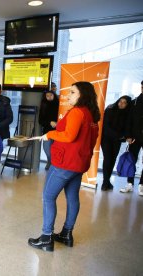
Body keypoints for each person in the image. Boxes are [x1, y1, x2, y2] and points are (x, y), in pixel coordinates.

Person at [28, 81, 100, 252]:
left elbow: (68, 136)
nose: (68, 95)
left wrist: (49, 134)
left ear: (83, 95)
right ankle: (66, 234)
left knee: (48, 197)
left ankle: (46, 237)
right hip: (79, 164)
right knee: (72, 197)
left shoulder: (76, 112)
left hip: (65, 163)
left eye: (73, 92)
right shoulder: (91, 114)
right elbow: (91, 140)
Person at [101, 96, 132, 191]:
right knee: (108, 159)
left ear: (127, 105)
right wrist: (120, 136)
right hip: (106, 138)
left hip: (117, 141)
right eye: (120, 101)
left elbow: (127, 128)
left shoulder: (127, 114)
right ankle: (105, 183)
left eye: (124, 102)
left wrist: (123, 136)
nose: (121, 104)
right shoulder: (110, 109)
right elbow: (105, 126)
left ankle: (107, 181)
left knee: (113, 159)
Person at [120, 80, 143, 195]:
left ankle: (142, 185)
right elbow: (128, 121)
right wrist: (128, 136)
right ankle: (130, 184)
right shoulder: (134, 103)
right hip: (134, 137)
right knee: (131, 160)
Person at [39, 90, 59, 170]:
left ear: (54, 95)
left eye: (51, 95)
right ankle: (50, 161)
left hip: (58, 131)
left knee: (56, 149)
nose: (49, 97)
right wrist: (49, 122)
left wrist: (57, 123)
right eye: (47, 96)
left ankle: (53, 164)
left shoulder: (59, 104)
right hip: (47, 131)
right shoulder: (44, 105)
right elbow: (40, 121)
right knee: (46, 148)